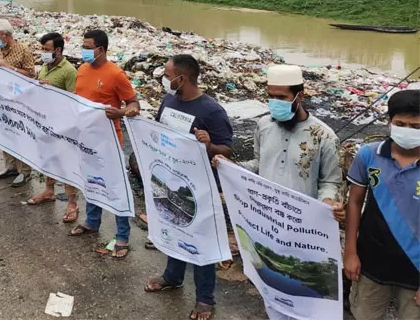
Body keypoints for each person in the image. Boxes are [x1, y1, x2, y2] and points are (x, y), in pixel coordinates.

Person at [213, 64, 344, 320]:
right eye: (270, 96)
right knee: (272, 288)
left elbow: (330, 181)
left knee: (305, 292)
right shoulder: (263, 125)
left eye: (281, 97)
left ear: (299, 96)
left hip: (302, 229)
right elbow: (260, 165)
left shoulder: (323, 136)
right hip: (267, 224)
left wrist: (327, 201)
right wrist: (231, 167)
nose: (275, 103)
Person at [144, 54, 234, 320]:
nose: (164, 79)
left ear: (182, 78)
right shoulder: (169, 101)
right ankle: (172, 276)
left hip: (200, 189)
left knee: (200, 239)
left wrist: (209, 146)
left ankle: (205, 298)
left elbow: (227, 150)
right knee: (173, 226)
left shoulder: (211, 110)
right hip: (170, 180)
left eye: (168, 75)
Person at [345, 89, 420, 320]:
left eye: (416, 127)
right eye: (401, 123)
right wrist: (350, 252)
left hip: (416, 267)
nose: (408, 130)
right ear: (390, 122)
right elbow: (355, 203)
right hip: (371, 262)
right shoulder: (369, 155)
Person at [69, 29, 140, 260]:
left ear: (100, 49)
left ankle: (122, 237)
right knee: (90, 181)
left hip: (110, 142)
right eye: (83, 46)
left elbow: (134, 104)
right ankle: (92, 222)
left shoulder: (116, 74)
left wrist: (121, 111)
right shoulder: (81, 70)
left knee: (116, 188)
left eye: (88, 46)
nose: (84, 50)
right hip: (85, 138)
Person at [26, 33, 80, 222]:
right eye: (42, 49)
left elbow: (74, 100)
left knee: (66, 164)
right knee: (48, 158)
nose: (43, 53)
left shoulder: (69, 71)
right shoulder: (44, 67)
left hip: (63, 125)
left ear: (58, 50)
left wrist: (54, 91)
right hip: (44, 122)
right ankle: (49, 191)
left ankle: (72, 202)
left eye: (47, 50)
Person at [0, 18, 36, 186]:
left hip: (21, 101)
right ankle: (10, 166)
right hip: (3, 99)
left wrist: (10, 68)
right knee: (6, 133)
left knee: (21, 135)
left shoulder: (23, 50)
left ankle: (25, 171)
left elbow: (31, 75)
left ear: (6, 35)